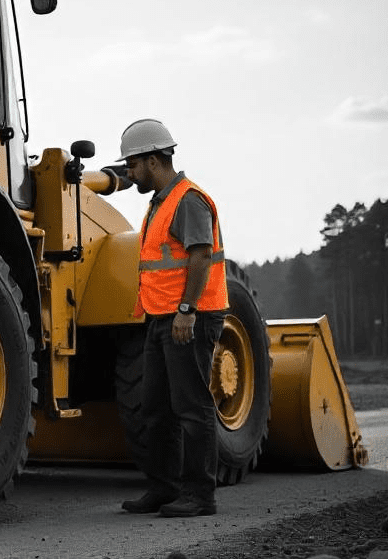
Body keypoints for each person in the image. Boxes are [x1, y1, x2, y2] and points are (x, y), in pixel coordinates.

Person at [117, 118, 229, 518]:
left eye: (132, 166)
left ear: (152, 160)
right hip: (160, 318)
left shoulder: (188, 199)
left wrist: (187, 310)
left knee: (191, 407)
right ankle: (164, 488)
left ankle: (201, 496)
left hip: (188, 318)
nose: (129, 174)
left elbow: (200, 255)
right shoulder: (160, 202)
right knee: (156, 409)